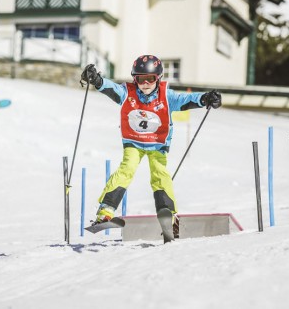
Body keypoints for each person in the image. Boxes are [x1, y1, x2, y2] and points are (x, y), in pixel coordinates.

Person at [80, 54, 221, 236]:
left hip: (157, 143)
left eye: (150, 79)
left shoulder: (166, 96)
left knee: (159, 173)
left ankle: (168, 215)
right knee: (126, 169)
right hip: (134, 141)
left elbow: (186, 100)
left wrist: (206, 98)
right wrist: (96, 80)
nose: (145, 84)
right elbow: (110, 88)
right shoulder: (127, 93)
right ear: (134, 79)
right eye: (141, 79)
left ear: (158, 78)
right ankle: (105, 211)